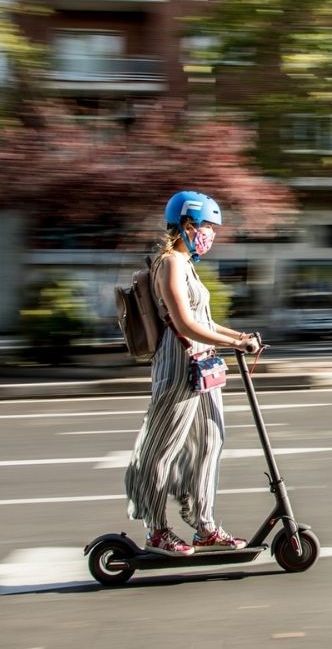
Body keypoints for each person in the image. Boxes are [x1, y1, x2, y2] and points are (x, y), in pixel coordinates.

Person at [124, 190, 262, 556]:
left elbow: (205, 320)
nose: (211, 234)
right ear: (187, 225)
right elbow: (184, 324)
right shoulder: (169, 263)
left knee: (209, 443)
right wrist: (235, 346)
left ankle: (204, 527)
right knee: (162, 449)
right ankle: (156, 530)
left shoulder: (187, 264)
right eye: (207, 227)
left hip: (202, 364)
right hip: (178, 364)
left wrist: (240, 337)